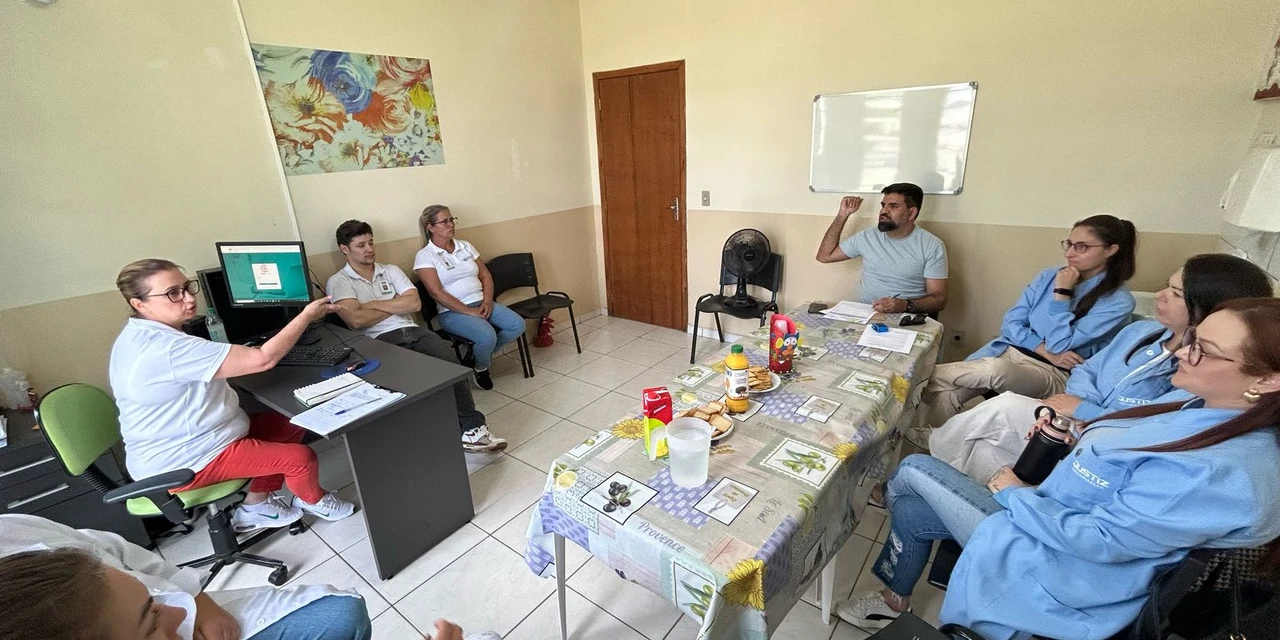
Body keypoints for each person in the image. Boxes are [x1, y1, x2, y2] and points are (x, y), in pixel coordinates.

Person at [838, 297, 1280, 639]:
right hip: (1050, 513)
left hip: (1059, 559)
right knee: (914, 511)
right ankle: (894, 598)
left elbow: (1099, 541)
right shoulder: (1198, 404)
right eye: (1192, 339)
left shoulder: (1222, 470)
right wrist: (1074, 439)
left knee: (915, 470)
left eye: (1203, 349)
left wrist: (1014, 492)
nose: (1182, 353)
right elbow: (1117, 443)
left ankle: (895, 515)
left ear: (1266, 380)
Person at [929, 253, 1273, 483]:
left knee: (995, 398)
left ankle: (928, 463)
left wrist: (1084, 410)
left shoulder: (1199, 371)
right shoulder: (1141, 332)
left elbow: (1154, 422)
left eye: (1175, 292)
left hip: (1095, 433)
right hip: (1064, 411)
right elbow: (1087, 370)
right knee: (980, 441)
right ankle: (937, 483)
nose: (1159, 295)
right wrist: (1066, 410)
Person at [110, 259, 356, 533]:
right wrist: (306, 315)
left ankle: (256, 505)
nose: (189, 298)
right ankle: (314, 499)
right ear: (139, 304)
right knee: (300, 458)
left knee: (291, 423)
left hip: (193, 439)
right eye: (173, 293)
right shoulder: (167, 348)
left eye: (187, 287)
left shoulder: (137, 333)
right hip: (186, 459)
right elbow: (262, 359)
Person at [0, 514, 500, 640]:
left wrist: (203, 601)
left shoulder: (17, 535)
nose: (176, 612)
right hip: (190, 458)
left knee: (341, 610)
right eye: (151, 623)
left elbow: (112, 549)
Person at [918, 214, 1138, 433]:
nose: (1069, 253)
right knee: (949, 394)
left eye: (1082, 247)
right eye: (1069, 244)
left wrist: (1062, 293)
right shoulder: (1048, 276)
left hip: (1053, 372)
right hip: (1011, 351)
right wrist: (1044, 350)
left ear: (1110, 250)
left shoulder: (1117, 302)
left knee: (994, 369)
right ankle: (932, 448)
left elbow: (1060, 344)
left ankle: (908, 377)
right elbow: (1011, 323)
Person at [326, 219, 506, 453]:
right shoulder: (339, 281)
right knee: (406, 379)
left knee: (451, 365)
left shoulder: (390, 270)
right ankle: (425, 435)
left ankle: (472, 429)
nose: (369, 249)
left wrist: (371, 305)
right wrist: (394, 304)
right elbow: (356, 320)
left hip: (413, 331)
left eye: (371, 242)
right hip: (377, 341)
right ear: (345, 249)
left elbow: (414, 303)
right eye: (361, 245)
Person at [414, 205, 526, 390]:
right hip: (452, 312)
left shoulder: (465, 246)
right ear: (430, 227)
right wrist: (469, 311)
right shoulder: (425, 256)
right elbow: (436, 292)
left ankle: (476, 358)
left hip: (482, 302)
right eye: (444, 221)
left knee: (517, 325)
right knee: (487, 336)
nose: (451, 224)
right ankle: (482, 368)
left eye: (452, 219)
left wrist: (488, 301)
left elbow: (485, 276)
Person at [814, 183, 949, 314]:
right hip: (865, 315)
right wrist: (843, 215)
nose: (884, 211)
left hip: (906, 318)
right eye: (883, 205)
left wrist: (905, 305)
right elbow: (825, 256)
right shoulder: (868, 236)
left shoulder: (931, 245)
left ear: (911, 212)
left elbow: (939, 299)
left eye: (893, 206)